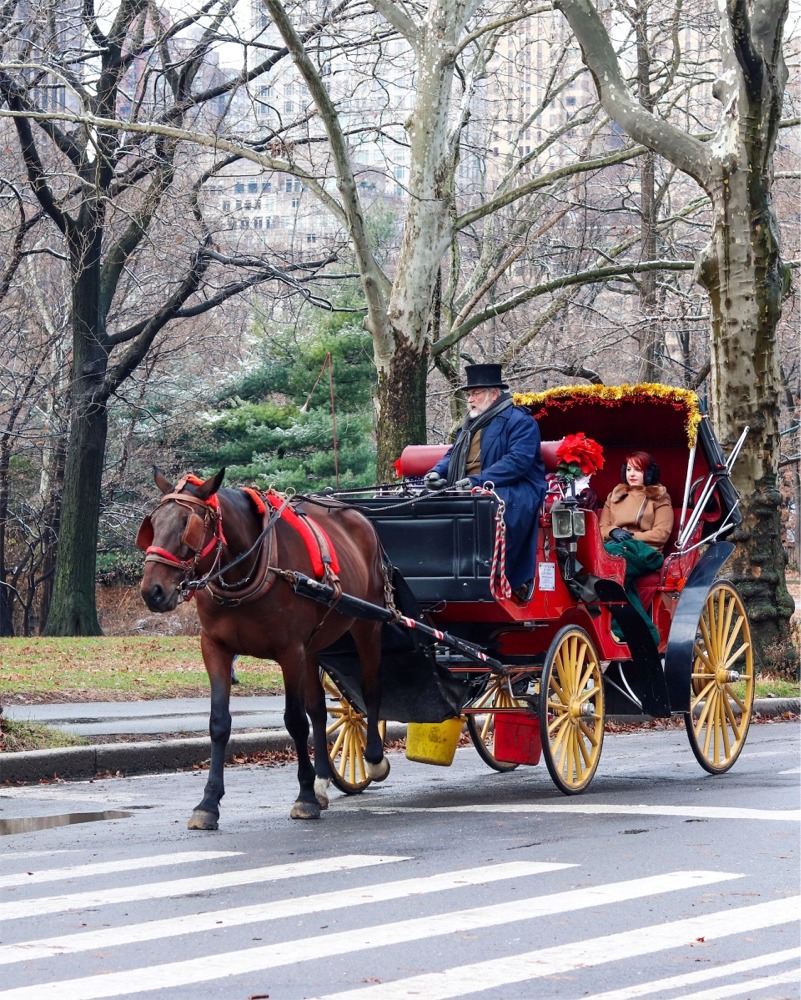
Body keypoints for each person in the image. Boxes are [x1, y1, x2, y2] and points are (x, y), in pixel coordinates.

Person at [424, 363, 547, 600]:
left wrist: (478, 481)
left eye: (475, 393)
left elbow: (518, 462)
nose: (470, 399)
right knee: (424, 503)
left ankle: (507, 578)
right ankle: (435, 574)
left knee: (488, 505)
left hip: (515, 487)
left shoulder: (520, 421)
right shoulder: (469, 425)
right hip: (469, 485)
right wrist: (437, 473)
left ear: (494, 393)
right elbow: (452, 455)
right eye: (469, 394)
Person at [599, 451, 673, 643]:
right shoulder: (614, 496)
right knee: (614, 571)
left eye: (638, 470)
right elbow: (602, 528)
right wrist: (614, 532)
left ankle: (623, 629)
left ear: (648, 473)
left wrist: (630, 538)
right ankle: (645, 633)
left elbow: (661, 533)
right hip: (615, 547)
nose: (632, 474)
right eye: (629, 469)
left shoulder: (659, 497)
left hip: (646, 553)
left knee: (613, 562)